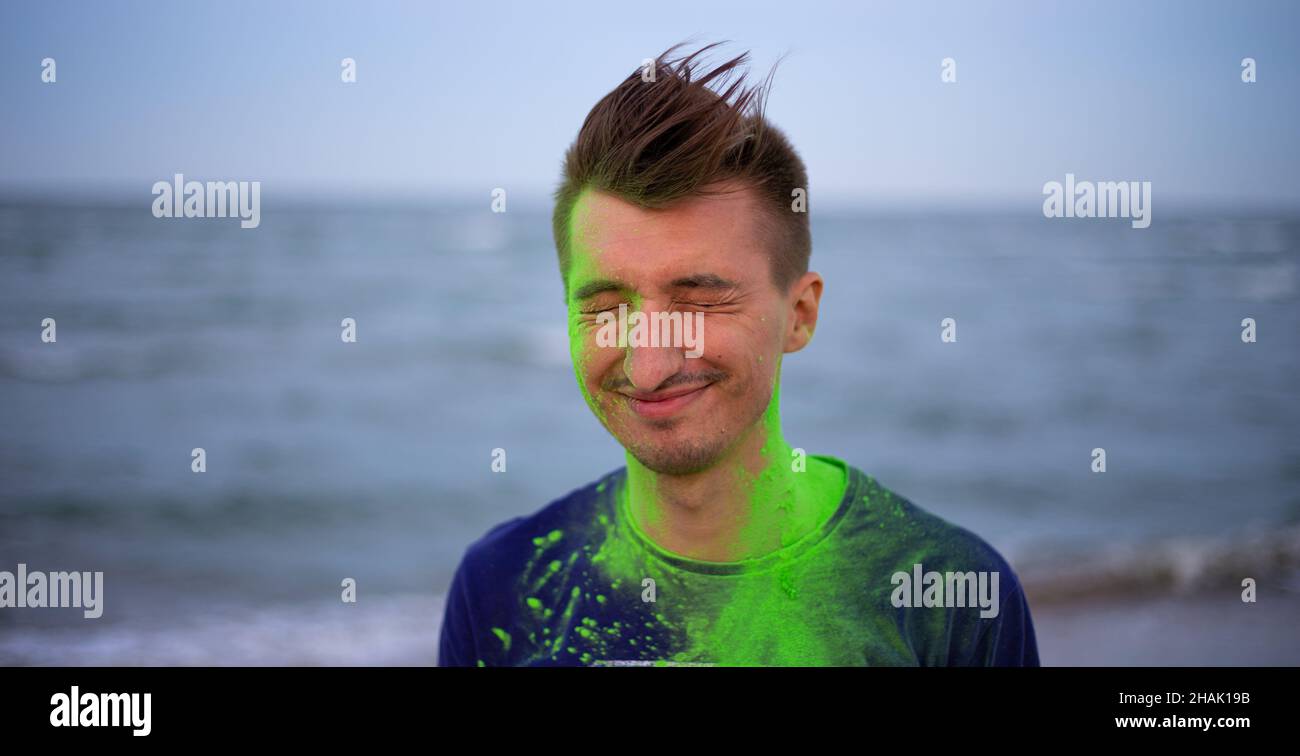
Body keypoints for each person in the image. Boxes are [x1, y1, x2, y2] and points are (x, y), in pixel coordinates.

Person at [438, 42, 1040, 666]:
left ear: (799, 314)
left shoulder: (949, 598)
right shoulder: (500, 590)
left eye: (700, 301)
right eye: (606, 307)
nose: (648, 366)